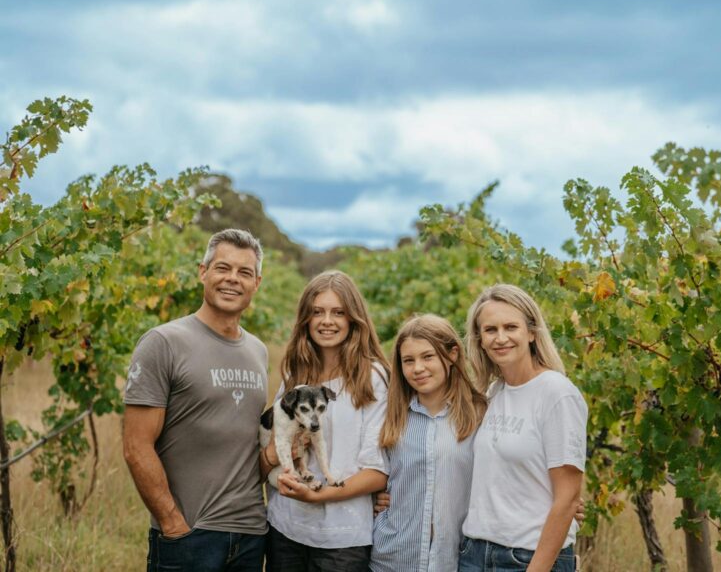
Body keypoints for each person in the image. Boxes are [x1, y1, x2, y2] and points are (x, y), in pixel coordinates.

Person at [123, 229, 270, 572]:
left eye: (244, 272)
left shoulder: (258, 351)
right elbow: (136, 446)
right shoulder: (163, 342)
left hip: (251, 534)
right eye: (223, 268)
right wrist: (172, 523)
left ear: (257, 283)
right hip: (190, 538)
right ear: (203, 272)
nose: (233, 279)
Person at [265, 270, 390, 572]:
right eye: (317, 312)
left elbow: (377, 472)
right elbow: (272, 451)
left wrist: (318, 496)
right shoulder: (293, 378)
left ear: (353, 319)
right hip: (285, 529)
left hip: (342, 541)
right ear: (306, 319)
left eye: (338, 312)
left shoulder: (372, 379)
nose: (327, 321)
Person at [458, 284, 587, 572]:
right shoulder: (493, 392)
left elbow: (567, 498)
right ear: (480, 340)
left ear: (531, 332)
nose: (500, 338)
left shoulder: (556, 394)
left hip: (526, 558)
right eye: (490, 330)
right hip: (474, 553)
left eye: (510, 327)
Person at [370, 314, 488, 572]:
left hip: (455, 560)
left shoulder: (480, 414)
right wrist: (373, 500)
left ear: (452, 354)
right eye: (408, 361)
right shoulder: (390, 415)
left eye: (428, 356)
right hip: (394, 559)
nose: (418, 368)